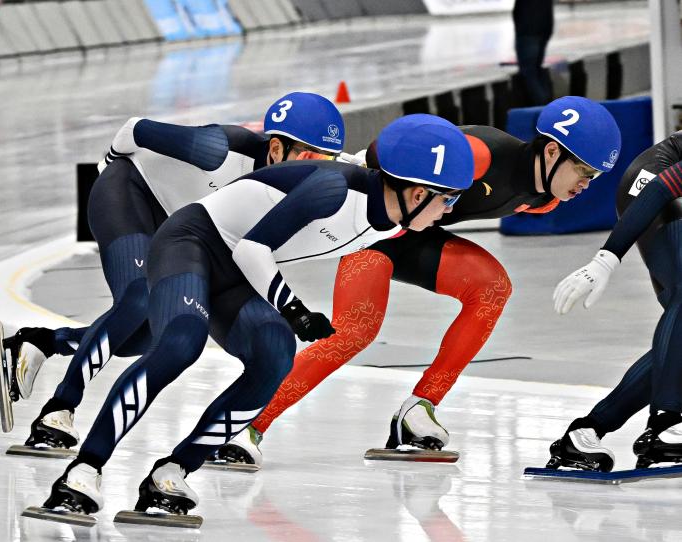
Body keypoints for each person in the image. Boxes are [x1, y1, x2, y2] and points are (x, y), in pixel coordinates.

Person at [37, 114, 476, 517]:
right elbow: (252, 248)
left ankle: (171, 473)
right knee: (181, 341)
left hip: (234, 268)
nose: (451, 211)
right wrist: (295, 310)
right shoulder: (336, 191)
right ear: (418, 193)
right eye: (449, 200)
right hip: (192, 241)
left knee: (275, 354)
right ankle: (83, 470)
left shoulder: (393, 214)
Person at [216, 96, 623, 466]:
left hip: (416, 233)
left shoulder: (545, 198)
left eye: (596, 177)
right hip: (373, 230)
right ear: (552, 151)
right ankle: (247, 423)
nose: (586, 184)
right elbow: (401, 142)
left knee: (492, 287)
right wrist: (359, 168)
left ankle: (419, 410)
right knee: (355, 330)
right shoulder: (483, 153)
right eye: (584, 171)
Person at [0, 92, 344, 449]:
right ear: (274, 149)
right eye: (308, 157)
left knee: (150, 334)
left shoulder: (307, 185)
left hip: (184, 233)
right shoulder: (221, 149)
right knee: (138, 300)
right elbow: (135, 129)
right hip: (131, 194)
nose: (317, 170)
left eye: (327, 161)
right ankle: (59, 409)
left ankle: (43, 342)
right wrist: (108, 166)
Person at [547, 131, 682, 471]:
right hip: (654, 179)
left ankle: (584, 434)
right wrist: (606, 260)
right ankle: (667, 423)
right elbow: (659, 190)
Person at [512, 0, 555, 106]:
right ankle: (547, 102)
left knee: (529, 72)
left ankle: (543, 105)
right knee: (537, 69)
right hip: (544, 27)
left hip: (527, 29)